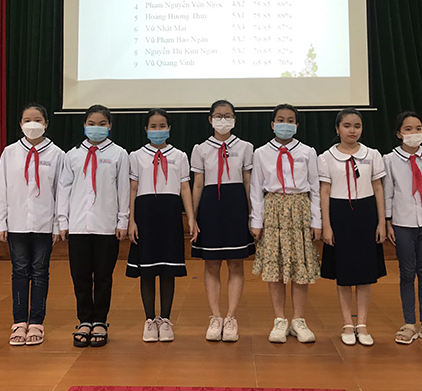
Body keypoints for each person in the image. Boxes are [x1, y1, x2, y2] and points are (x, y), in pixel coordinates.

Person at [57, 104, 129, 348]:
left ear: (109, 126)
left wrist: (122, 220)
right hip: (78, 225)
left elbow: (123, 189)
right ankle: (84, 320)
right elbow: (64, 188)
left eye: (101, 124)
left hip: (106, 226)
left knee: (103, 276)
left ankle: (100, 320)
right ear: (84, 125)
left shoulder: (119, 154)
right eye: (91, 123)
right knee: (80, 276)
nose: (96, 128)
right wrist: (63, 220)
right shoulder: (72, 155)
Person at [250, 103, 321, 344]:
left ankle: (298, 320)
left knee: (300, 265)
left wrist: (317, 220)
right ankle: (279, 319)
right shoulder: (261, 153)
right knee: (276, 266)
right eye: (280, 120)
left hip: (300, 209)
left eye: (290, 121)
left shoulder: (308, 152)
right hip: (273, 210)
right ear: (272, 124)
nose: (285, 124)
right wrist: (256, 221)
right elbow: (256, 189)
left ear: (297, 125)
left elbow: (315, 188)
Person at [0, 103, 64, 346]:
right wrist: (0, 221)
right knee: (20, 271)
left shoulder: (57, 154)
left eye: (37, 120)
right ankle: (19, 322)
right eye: (27, 120)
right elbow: (2, 188)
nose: (32, 124)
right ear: (20, 124)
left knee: (40, 272)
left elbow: (60, 191)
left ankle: (36, 322)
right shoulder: (9, 152)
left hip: (44, 223)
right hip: (16, 223)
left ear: (46, 123)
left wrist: (58, 224)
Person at [126, 108, 197, 342]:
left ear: (169, 129)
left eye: (162, 126)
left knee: (168, 270)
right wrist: (131, 220)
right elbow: (133, 188)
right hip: (145, 214)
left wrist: (191, 217)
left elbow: (185, 187)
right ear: (146, 129)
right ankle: (149, 320)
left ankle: (165, 320)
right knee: (147, 271)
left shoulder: (180, 155)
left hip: (170, 214)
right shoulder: (136, 156)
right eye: (153, 126)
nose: (158, 130)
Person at [319, 108, 386, 347]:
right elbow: (324, 192)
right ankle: (347, 322)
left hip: (366, 214)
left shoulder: (373, 154)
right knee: (344, 273)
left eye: (356, 126)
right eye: (347, 126)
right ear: (337, 129)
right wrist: (327, 226)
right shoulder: (326, 157)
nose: (352, 130)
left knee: (365, 273)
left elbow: (378, 188)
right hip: (339, 215)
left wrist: (381, 222)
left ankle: (363, 324)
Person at [191, 99, 255, 342]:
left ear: (235, 119)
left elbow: (248, 181)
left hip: (236, 205)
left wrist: (252, 214)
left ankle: (230, 317)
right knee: (211, 264)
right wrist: (193, 217)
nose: (223, 120)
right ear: (210, 120)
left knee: (236, 264)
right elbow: (198, 184)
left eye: (228, 116)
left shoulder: (246, 147)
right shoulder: (200, 148)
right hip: (210, 207)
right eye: (218, 116)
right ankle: (216, 316)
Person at [383, 111, 422, 346]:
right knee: (407, 273)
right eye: (408, 129)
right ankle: (409, 323)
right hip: (402, 223)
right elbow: (388, 193)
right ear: (399, 133)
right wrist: (388, 222)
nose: (414, 133)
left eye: (418, 128)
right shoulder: (390, 159)